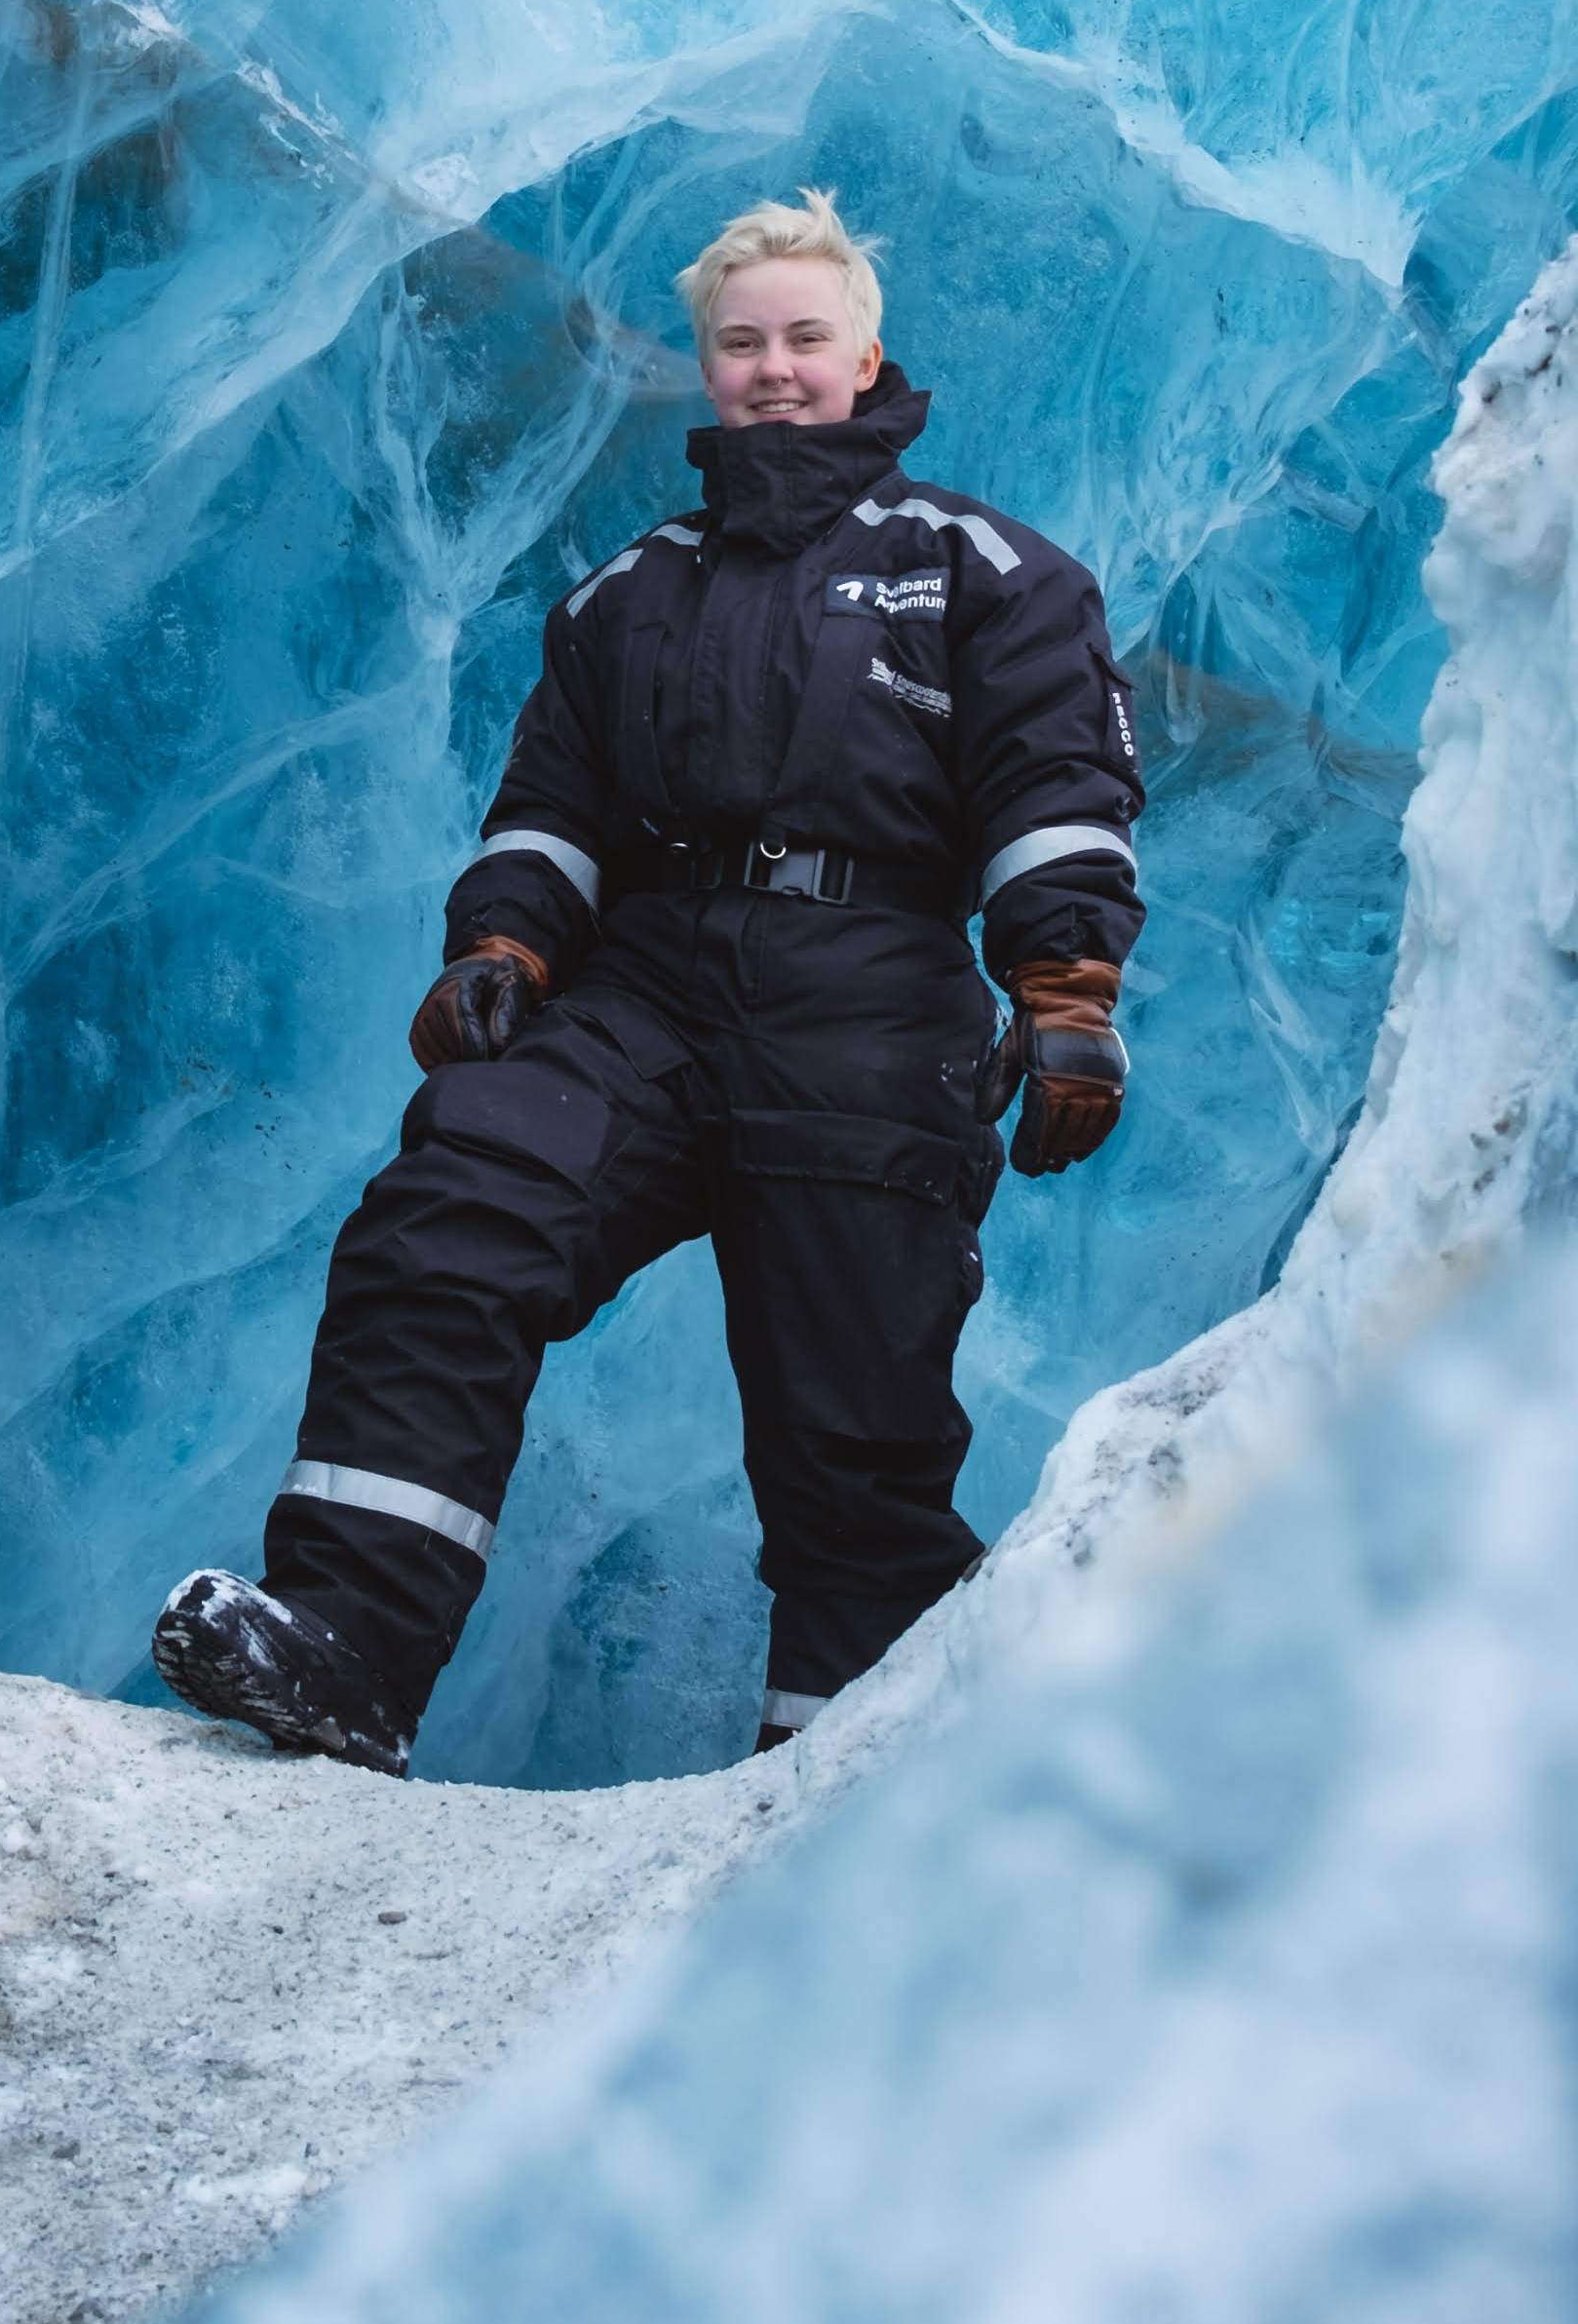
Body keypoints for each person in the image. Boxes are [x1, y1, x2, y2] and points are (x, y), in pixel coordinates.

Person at [152, 188, 1142, 1779]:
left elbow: (1053, 789)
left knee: (855, 1424)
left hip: (870, 1001)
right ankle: (349, 1639)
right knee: (456, 1206)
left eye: (805, 338)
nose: (773, 369)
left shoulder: (984, 570)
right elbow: (550, 806)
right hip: (647, 990)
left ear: (865, 354)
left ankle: (840, 1776)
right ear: (702, 365)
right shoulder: (628, 592)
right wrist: (504, 948)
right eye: (740, 343)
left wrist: (1066, 987)